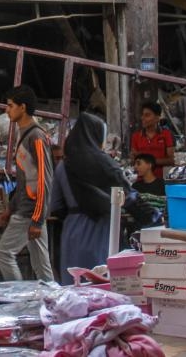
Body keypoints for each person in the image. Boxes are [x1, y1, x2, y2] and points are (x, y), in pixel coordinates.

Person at [50, 113, 128, 285]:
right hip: (105, 230)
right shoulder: (107, 164)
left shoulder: (63, 166)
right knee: (102, 285)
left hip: (73, 231)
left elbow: (55, 204)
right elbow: (127, 194)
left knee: (74, 286)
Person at [0, 85, 54, 282]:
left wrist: (37, 219)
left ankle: (19, 297)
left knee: (3, 254)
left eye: (10, 105)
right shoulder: (25, 134)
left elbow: (43, 180)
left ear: (23, 107)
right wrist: (10, 208)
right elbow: (23, 180)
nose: (7, 110)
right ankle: (56, 303)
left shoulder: (36, 137)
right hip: (29, 208)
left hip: (30, 211)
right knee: (41, 266)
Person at [129, 102, 174, 180]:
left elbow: (171, 161)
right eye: (142, 115)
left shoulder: (166, 135)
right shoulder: (136, 136)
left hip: (161, 180)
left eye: (147, 115)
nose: (142, 118)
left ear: (157, 118)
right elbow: (134, 161)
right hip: (142, 181)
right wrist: (133, 159)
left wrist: (147, 161)